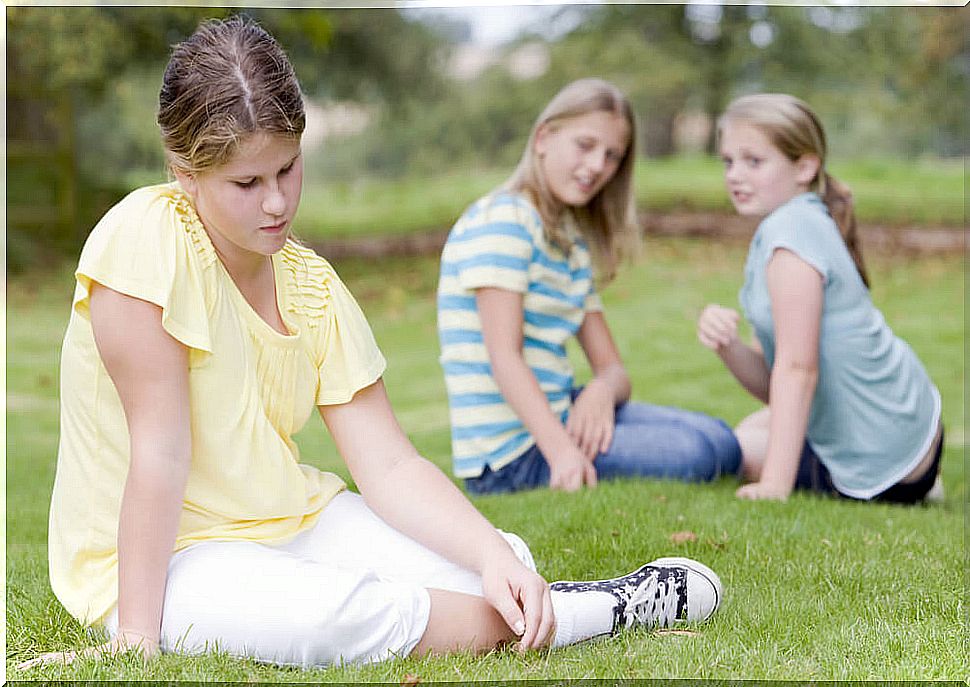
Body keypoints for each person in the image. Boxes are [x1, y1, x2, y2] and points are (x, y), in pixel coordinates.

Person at [17, 18, 724, 672]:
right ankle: (599, 607)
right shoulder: (143, 241)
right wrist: (136, 640)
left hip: (295, 520)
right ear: (184, 171)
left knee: (500, 556)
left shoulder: (313, 283)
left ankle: (520, 600)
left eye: (288, 169)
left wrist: (485, 551)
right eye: (246, 182)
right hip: (167, 559)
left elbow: (387, 462)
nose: (276, 203)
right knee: (328, 621)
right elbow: (160, 453)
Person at [437, 78, 742, 495]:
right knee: (699, 453)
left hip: (559, 415)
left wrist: (599, 390)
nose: (598, 165)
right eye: (585, 145)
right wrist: (562, 452)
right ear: (544, 137)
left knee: (720, 438)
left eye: (612, 156)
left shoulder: (568, 240)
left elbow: (615, 370)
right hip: (512, 455)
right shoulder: (504, 221)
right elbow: (503, 356)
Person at [697, 93, 943, 503]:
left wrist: (774, 485)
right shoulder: (797, 222)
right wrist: (728, 346)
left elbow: (797, 371)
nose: (734, 175)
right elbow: (776, 379)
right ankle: (922, 482)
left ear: (805, 166)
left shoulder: (791, 235)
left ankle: (909, 486)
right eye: (728, 161)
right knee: (751, 429)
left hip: (886, 460)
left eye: (753, 162)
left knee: (732, 449)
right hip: (912, 430)